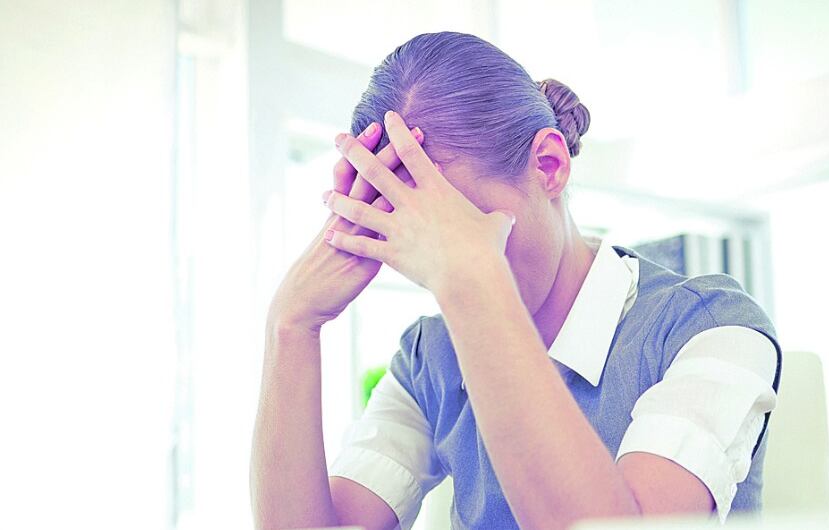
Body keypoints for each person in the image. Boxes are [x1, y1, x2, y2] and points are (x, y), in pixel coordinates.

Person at [250, 31, 781, 530]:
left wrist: (475, 279)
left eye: (462, 228)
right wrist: (290, 326)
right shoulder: (430, 360)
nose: (442, 264)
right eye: (417, 237)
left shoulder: (710, 329)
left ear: (548, 165)